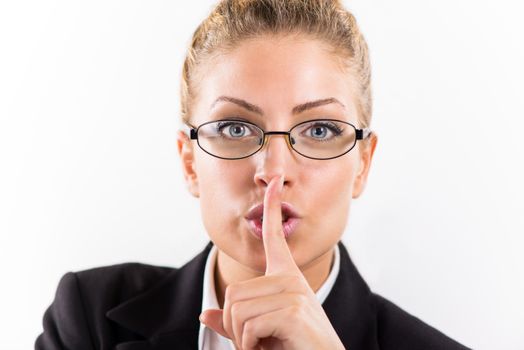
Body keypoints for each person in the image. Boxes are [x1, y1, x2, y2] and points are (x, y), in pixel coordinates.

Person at [35, 1, 472, 349]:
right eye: (235, 129)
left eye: (320, 130)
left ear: (362, 164)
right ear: (190, 163)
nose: (273, 172)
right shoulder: (90, 317)